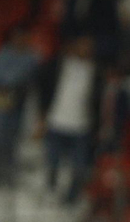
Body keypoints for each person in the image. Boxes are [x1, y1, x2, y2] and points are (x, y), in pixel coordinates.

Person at [35, 35, 104, 204]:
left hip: (81, 127)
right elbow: (43, 85)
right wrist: (42, 116)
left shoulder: (96, 71)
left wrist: (97, 126)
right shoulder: (59, 65)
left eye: (89, 46)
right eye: (82, 45)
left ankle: (71, 200)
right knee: (52, 164)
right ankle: (50, 195)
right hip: (56, 123)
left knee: (79, 168)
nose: (85, 49)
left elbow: (99, 102)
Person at [0, 27, 43, 186]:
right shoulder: (3, 53)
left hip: (20, 102)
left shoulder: (31, 57)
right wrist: (9, 82)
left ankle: (10, 177)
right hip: (1, 99)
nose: (21, 41)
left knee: (14, 140)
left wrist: (10, 81)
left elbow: (26, 76)